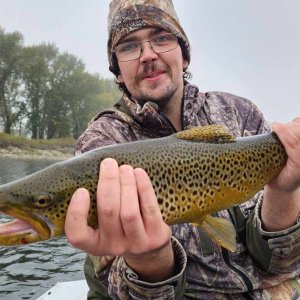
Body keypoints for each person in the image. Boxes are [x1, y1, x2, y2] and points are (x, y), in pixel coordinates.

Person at [65, 0, 300, 299]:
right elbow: (112, 288)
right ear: (118, 72)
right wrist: (151, 259)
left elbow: (280, 262)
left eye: (161, 38)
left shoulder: (240, 113)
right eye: (128, 46)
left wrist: (284, 190)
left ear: (184, 54)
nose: (148, 55)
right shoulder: (103, 144)